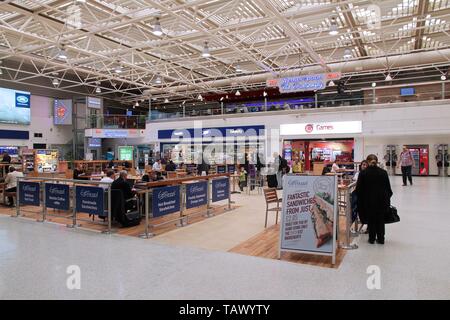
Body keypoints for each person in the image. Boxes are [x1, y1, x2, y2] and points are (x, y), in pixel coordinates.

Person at [355, 154, 393, 244]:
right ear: (377, 161)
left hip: (368, 202)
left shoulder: (363, 173)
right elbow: (388, 189)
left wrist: (361, 201)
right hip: (381, 201)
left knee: (371, 220)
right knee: (380, 220)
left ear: (368, 162)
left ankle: (371, 239)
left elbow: (359, 190)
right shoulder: (383, 172)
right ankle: (381, 239)